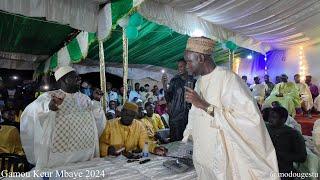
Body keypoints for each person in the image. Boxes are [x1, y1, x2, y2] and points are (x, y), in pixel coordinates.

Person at [183, 37, 278, 179]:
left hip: (222, 151)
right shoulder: (199, 82)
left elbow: (247, 119)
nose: (186, 66)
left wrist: (203, 104)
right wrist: (189, 133)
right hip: (203, 149)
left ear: (201, 58)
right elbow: (194, 113)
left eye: (189, 61)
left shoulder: (229, 79)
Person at [20, 66, 106, 170]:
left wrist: (96, 101)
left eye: (79, 77)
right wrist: (49, 106)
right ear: (64, 80)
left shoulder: (85, 98)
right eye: (75, 77)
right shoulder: (50, 96)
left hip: (84, 154)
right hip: (59, 157)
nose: (80, 79)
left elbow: (98, 120)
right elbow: (30, 112)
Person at [99, 102, 167, 157]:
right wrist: (107, 149)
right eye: (126, 113)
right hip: (112, 160)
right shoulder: (110, 124)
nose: (127, 117)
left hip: (131, 160)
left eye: (131, 115)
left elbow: (144, 143)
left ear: (134, 116)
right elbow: (101, 144)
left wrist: (154, 148)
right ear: (121, 112)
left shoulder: (139, 125)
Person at [266, 107, 307, 177]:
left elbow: (302, 157)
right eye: (270, 117)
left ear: (283, 120)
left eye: (274, 117)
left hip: (283, 170)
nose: (270, 120)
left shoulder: (293, 134)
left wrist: (277, 154)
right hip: (265, 166)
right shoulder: (265, 128)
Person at [162, 59, 195, 142]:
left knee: (187, 141)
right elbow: (168, 98)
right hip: (175, 117)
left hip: (189, 116)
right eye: (178, 67)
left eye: (181, 66)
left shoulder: (193, 81)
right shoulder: (174, 81)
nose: (179, 69)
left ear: (187, 67)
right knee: (175, 141)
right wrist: (164, 85)